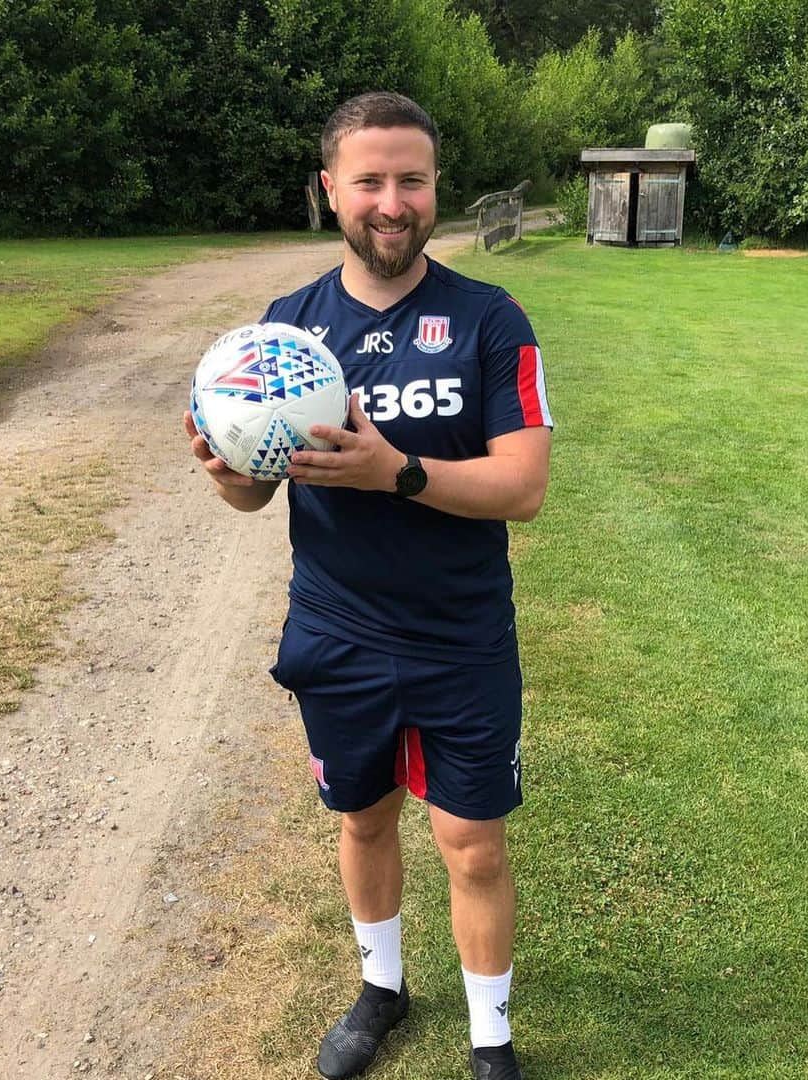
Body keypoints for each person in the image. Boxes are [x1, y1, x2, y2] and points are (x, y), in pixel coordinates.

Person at [184, 91, 552, 1080]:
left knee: (471, 842)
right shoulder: (286, 332)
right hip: (338, 628)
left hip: (460, 632)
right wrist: (232, 478)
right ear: (330, 191)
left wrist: (398, 471)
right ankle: (382, 989)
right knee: (365, 817)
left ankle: (491, 1040)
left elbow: (524, 487)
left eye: (413, 180)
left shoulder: (488, 319)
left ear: (436, 190)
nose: (393, 202)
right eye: (370, 181)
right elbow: (257, 498)